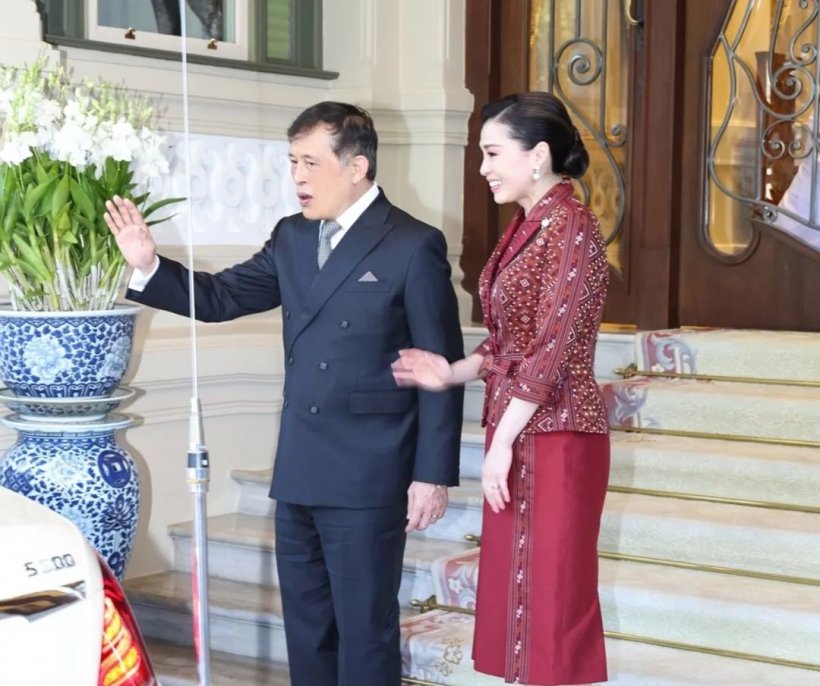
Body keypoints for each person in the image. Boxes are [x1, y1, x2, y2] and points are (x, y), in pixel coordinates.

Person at [104, 101, 465, 686]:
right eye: (292, 161)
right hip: (300, 465)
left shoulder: (411, 244)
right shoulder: (292, 237)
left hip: (370, 471)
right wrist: (148, 267)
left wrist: (432, 475)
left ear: (357, 167)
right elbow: (222, 298)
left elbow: (440, 369)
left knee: (365, 632)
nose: (297, 176)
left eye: (311, 163)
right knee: (307, 627)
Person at [392, 92, 610, 686]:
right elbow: (507, 343)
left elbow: (552, 350)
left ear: (537, 155)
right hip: (520, 427)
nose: (483, 166)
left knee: (552, 598)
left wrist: (501, 442)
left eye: (493, 153)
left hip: (559, 432)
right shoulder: (527, 227)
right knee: (518, 595)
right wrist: (450, 371)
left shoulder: (573, 227)